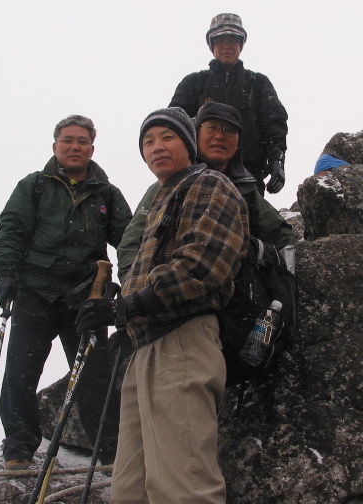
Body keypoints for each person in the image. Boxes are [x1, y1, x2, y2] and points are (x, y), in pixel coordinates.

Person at [80, 107, 249, 503]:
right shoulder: (160, 199)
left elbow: (203, 264)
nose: (156, 147)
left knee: (183, 488)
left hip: (182, 340)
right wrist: (116, 303)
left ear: (189, 145)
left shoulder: (209, 184)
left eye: (167, 137)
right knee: (130, 492)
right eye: (148, 141)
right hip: (144, 348)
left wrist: (129, 306)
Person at [0, 115, 132, 470]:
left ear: (92, 149)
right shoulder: (34, 186)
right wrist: (5, 272)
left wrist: (134, 282)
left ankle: (111, 451)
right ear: (55, 146)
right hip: (34, 294)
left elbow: (129, 240)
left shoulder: (107, 194)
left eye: (82, 141)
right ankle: (19, 448)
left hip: (87, 299)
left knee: (94, 376)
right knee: (21, 373)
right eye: (68, 140)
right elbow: (11, 229)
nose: (74, 146)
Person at [117, 102, 296, 283]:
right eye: (211, 127)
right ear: (195, 134)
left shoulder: (246, 189)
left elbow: (280, 232)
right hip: (165, 290)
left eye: (229, 130)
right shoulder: (168, 185)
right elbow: (132, 241)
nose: (219, 136)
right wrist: (133, 286)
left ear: (238, 141)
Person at [169, 13, 289, 195]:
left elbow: (274, 124)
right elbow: (174, 125)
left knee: (249, 214)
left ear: (241, 44)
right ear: (211, 45)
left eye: (233, 40)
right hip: (198, 174)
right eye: (220, 40)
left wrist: (277, 159)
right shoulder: (194, 83)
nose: (227, 46)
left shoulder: (258, 83)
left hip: (249, 175)